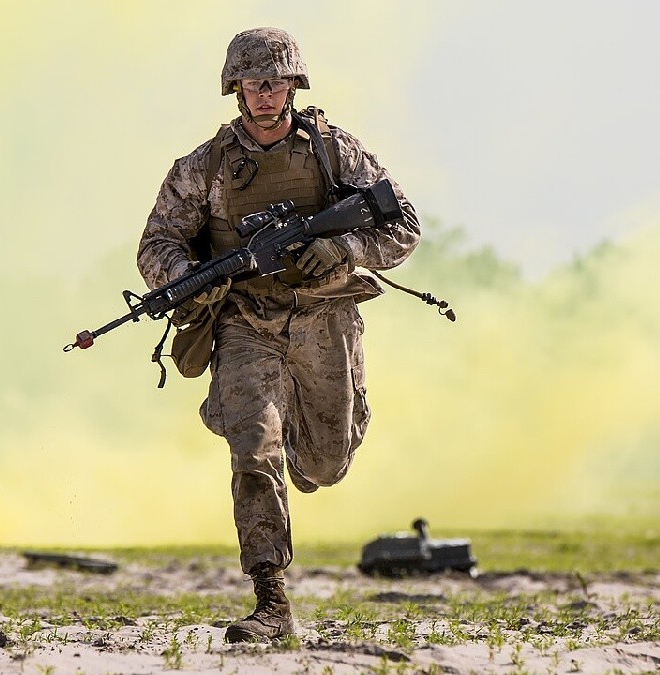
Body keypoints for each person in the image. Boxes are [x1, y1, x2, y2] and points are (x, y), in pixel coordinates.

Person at [137, 27, 420, 643]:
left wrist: (345, 248)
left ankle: (317, 435)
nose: (265, 94)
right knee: (253, 452)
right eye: (253, 83)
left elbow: (403, 223)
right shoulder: (204, 168)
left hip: (324, 316)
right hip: (246, 320)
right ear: (235, 88)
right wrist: (187, 279)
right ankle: (271, 600)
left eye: (275, 82)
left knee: (325, 462)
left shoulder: (333, 152)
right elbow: (156, 244)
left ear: (294, 85)